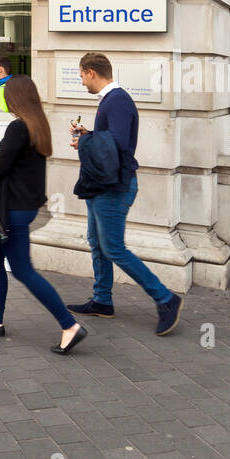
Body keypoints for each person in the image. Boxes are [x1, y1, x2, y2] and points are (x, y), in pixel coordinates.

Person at [0, 74, 87, 355]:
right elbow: (16, 162)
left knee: (22, 269)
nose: (5, 98)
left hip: (12, 209)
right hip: (24, 206)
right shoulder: (37, 125)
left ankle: (69, 326)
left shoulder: (18, 127)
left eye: (8, 94)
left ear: (15, 97)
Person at [66, 52, 183, 336]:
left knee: (113, 248)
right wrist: (88, 134)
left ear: (92, 72)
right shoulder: (110, 100)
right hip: (102, 186)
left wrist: (85, 140)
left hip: (114, 188)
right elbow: (109, 141)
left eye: (81, 75)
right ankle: (102, 301)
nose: (81, 81)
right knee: (97, 242)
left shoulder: (117, 100)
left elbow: (115, 146)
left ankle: (166, 298)